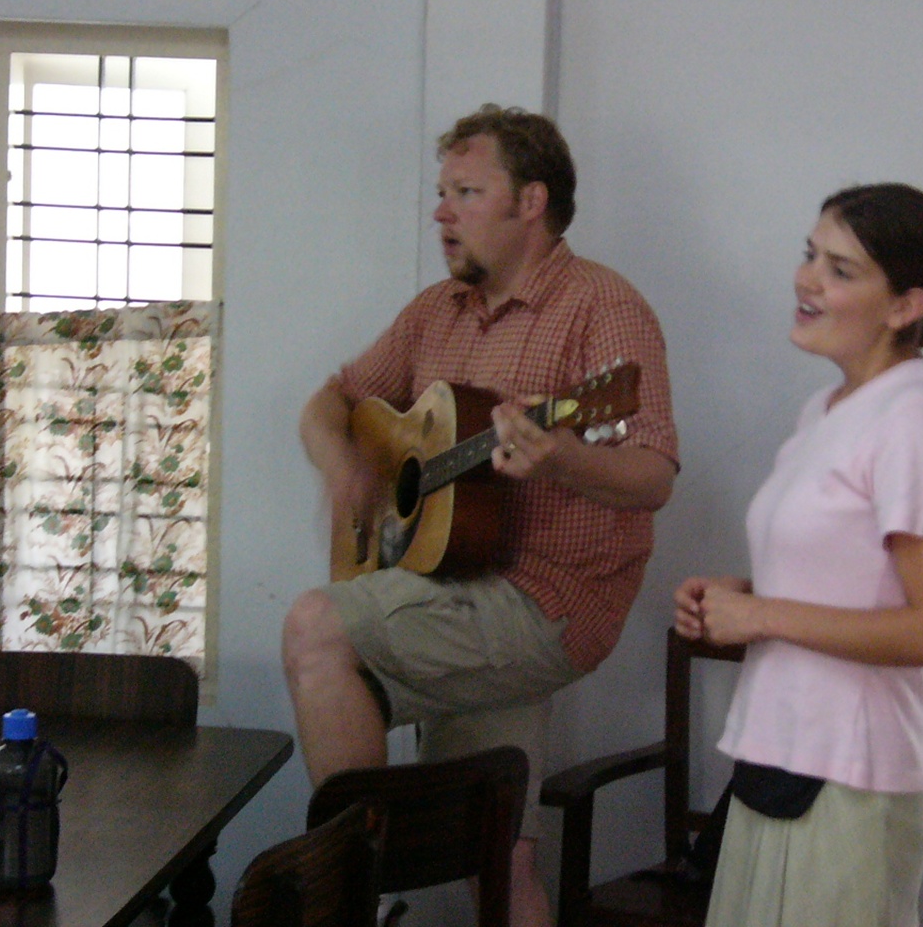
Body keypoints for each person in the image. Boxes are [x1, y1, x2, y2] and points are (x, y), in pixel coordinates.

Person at [285, 104, 678, 927]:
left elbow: (651, 477)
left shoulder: (603, 307)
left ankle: (351, 896)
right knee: (500, 861)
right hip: (453, 575)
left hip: (548, 599)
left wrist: (559, 456)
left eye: (465, 192)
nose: (440, 212)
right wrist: (345, 465)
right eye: (442, 192)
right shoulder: (436, 311)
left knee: (318, 630)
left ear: (530, 202)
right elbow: (332, 400)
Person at [674, 183, 923, 927]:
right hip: (775, 755)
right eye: (810, 255)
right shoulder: (824, 411)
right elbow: (847, 582)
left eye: (840, 270)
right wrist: (740, 596)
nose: (806, 280)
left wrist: (762, 614)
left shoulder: (915, 419)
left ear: (904, 306)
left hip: (846, 774)